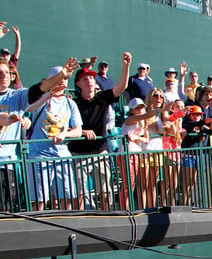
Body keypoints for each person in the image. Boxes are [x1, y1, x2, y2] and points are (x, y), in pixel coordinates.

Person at [0, 56, 79, 211]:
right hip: (38, 155)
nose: (4, 76)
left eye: (6, 73)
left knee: (6, 210)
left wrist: (62, 74)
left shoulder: (17, 96)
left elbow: (39, 88)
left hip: (7, 164)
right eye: (0, 73)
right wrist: (9, 118)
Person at [68, 51, 131, 210]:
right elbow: (64, 127)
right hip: (78, 153)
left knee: (105, 192)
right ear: (78, 84)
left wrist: (126, 65)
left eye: (91, 77)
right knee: (81, 194)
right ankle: (82, 222)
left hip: (100, 151)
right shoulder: (72, 104)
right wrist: (83, 132)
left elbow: (121, 87)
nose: (90, 80)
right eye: (85, 78)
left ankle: (107, 216)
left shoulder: (102, 97)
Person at [26, 67, 84, 211]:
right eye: (58, 79)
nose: (62, 82)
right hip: (39, 156)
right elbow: (30, 109)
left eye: (64, 79)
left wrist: (65, 135)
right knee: (39, 200)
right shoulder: (42, 100)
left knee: (67, 198)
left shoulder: (70, 104)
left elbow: (78, 131)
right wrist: (48, 95)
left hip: (62, 156)